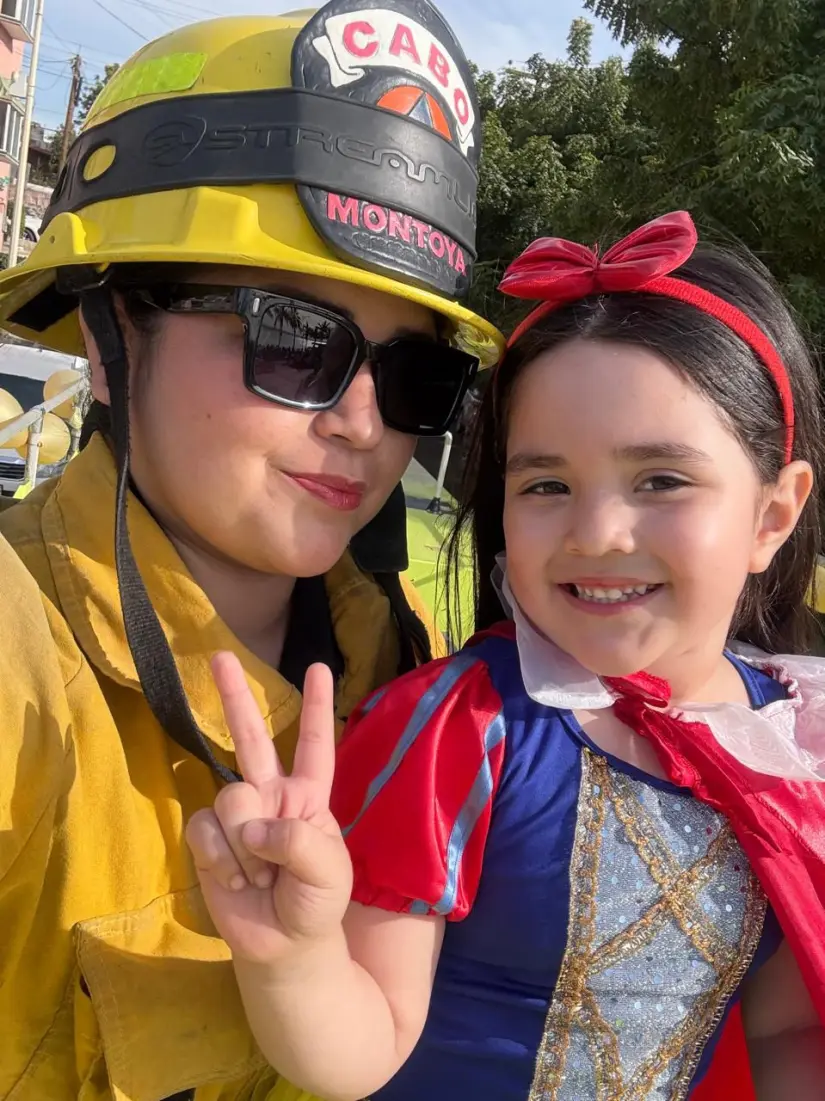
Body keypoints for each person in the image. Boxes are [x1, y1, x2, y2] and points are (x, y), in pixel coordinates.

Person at [187, 211, 825, 1100]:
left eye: (660, 480)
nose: (596, 533)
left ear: (772, 513)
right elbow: (367, 1046)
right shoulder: (459, 731)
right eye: (546, 484)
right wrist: (290, 955)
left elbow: (785, 1027)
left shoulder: (795, 737)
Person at [0, 3, 503, 1098]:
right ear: (109, 337)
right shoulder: (20, 655)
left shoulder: (411, 661)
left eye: (414, 376)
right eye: (297, 339)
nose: (364, 424)